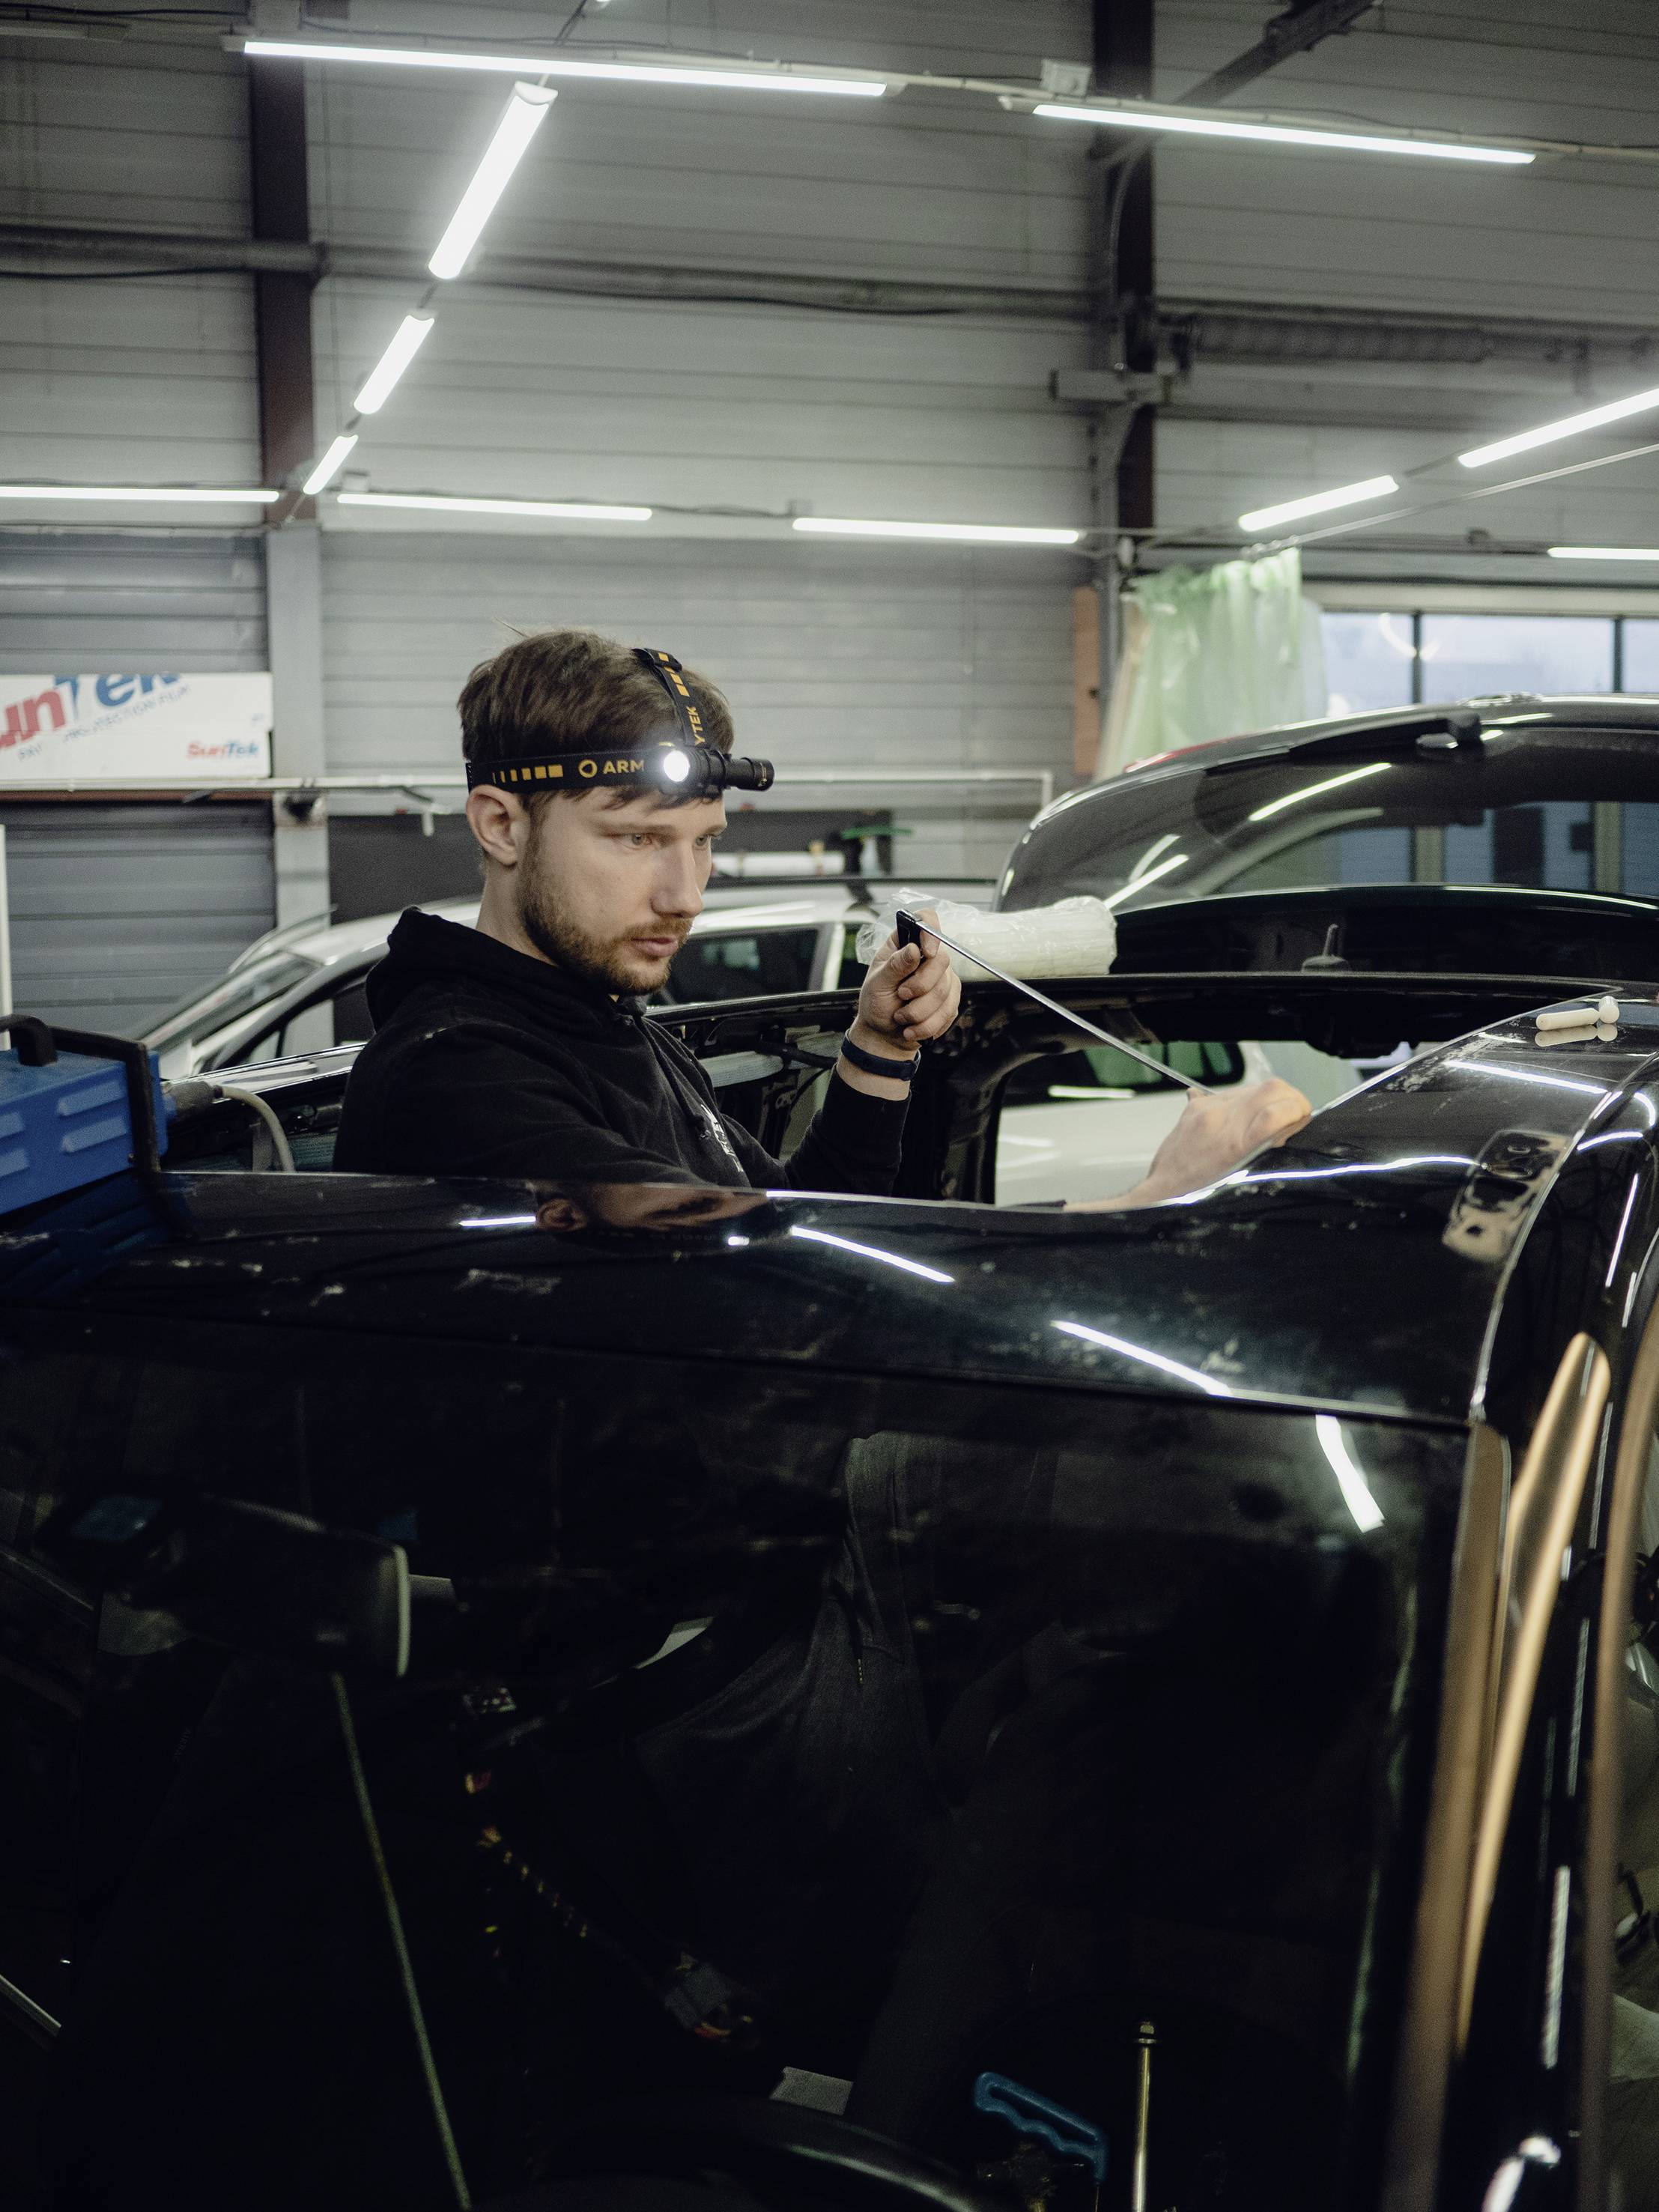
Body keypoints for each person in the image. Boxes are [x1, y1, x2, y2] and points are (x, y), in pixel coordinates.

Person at [336, 628, 1308, 1201]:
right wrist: (1154, 1200)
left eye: (704, 841)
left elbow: (793, 1216)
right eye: (636, 839)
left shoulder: (608, 1024)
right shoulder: (458, 1080)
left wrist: (876, 1046)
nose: (685, 894)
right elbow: (770, 1302)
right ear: (501, 825)